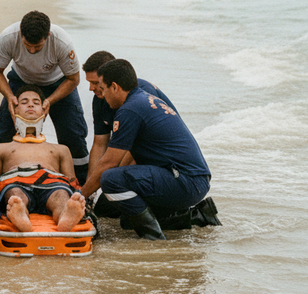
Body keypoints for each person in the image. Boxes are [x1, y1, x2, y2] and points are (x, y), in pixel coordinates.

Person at [80, 59, 217, 240]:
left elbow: (110, 162)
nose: (102, 95)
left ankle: (154, 240)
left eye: (103, 88)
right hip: (187, 177)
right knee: (124, 219)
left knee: (111, 180)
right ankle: (197, 217)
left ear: (115, 87)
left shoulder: (130, 110)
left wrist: (80, 196)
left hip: (186, 180)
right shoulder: (141, 98)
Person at [0, 10, 90, 184]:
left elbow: (73, 79)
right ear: (21, 34)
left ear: (48, 35)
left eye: (38, 46)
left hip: (59, 82)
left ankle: (81, 186)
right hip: (21, 80)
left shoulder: (62, 43)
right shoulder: (8, 37)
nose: (32, 50)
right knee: (3, 130)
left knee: (73, 134)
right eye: (27, 45)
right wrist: (9, 96)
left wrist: (50, 100)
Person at [82, 51, 179, 215]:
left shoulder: (141, 94)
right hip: (135, 158)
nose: (90, 88)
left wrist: (111, 180)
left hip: (166, 164)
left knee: (110, 193)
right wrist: (90, 190)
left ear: (111, 81)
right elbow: (99, 144)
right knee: (101, 203)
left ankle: (184, 215)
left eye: (95, 82)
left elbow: (133, 149)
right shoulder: (99, 99)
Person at [0, 85, 86, 232]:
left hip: (52, 184)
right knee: (16, 196)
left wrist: (78, 199)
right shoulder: (1, 148)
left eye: (36, 103)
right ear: (14, 110)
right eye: (24, 102)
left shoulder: (60, 149)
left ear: (44, 111)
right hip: (15, 183)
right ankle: (20, 214)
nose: (30, 104)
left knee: (62, 195)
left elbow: (72, 183)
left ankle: (65, 216)